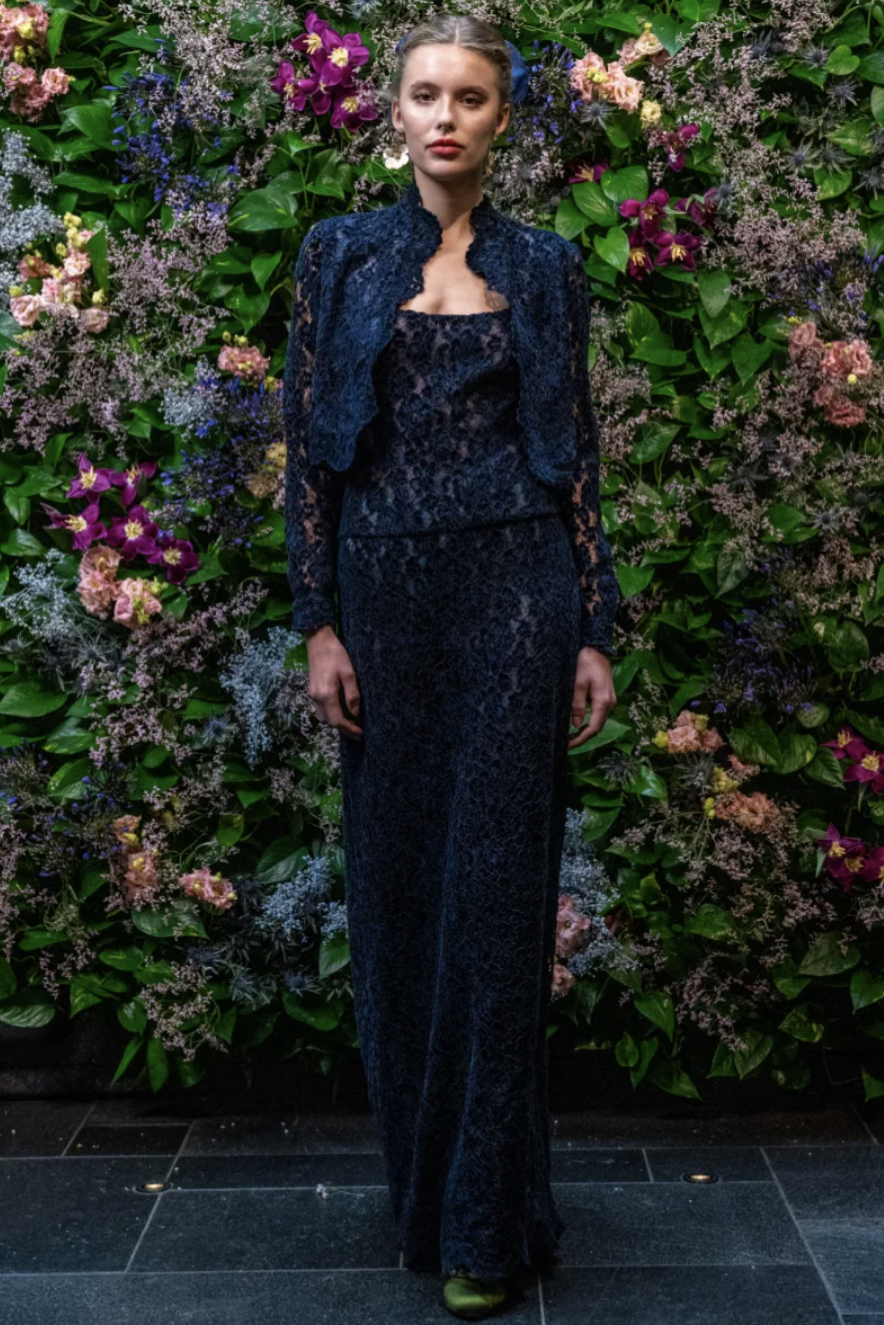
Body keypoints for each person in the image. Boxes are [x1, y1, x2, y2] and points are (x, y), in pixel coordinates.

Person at [284, 13, 619, 1318]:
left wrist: (592, 626)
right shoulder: (339, 256)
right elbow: (310, 459)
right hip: (384, 604)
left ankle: (485, 1225)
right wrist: (319, 622)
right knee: (399, 901)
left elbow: (574, 456)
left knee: (494, 905)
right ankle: (430, 1199)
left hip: (518, 599)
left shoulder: (548, 266)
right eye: (426, 94)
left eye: (470, 98)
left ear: (500, 119)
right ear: (395, 110)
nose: (446, 116)